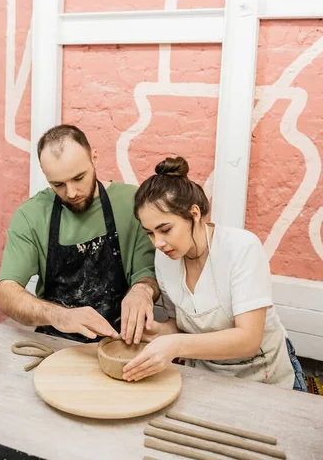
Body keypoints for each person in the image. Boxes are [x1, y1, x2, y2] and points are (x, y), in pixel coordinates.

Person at [122, 156, 307, 391]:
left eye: (165, 229)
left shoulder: (241, 248)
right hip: (207, 378)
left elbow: (248, 340)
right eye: (149, 233)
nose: (158, 242)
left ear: (194, 213)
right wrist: (156, 332)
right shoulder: (164, 258)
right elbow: (180, 326)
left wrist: (175, 345)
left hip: (265, 378)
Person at [0, 125, 159, 344]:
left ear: (95, 158)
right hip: (56, 343)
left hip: (121, 342)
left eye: (79, 177)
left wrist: (143, 290)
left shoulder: (132, 203)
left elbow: (146, 273)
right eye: (58, 184)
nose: (71, 193)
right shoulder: (30, 216)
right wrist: (59, 315)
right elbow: (6, 294)